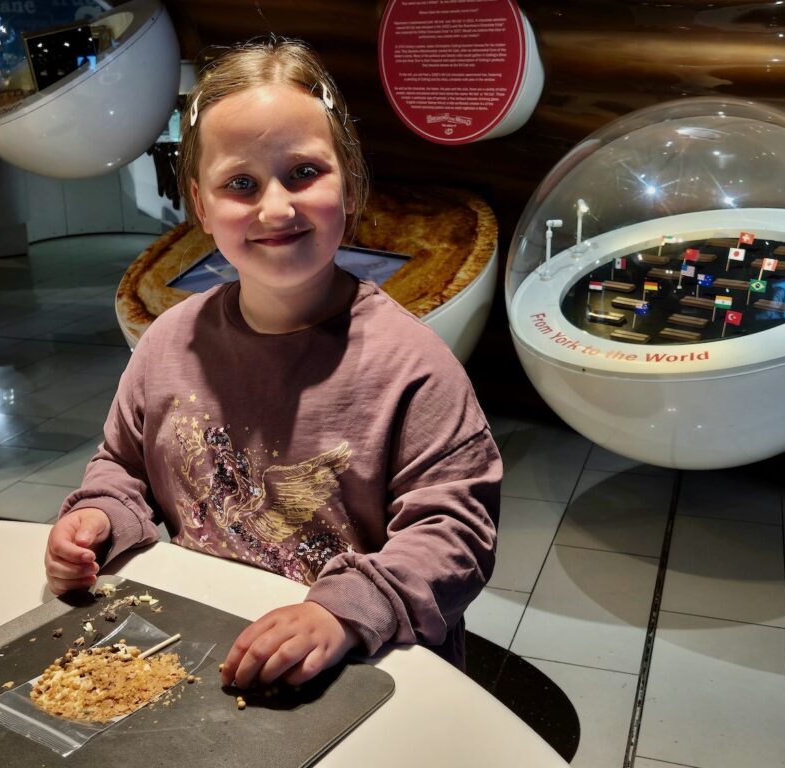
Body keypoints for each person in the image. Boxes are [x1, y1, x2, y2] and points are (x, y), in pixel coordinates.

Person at [43, 37, 500, 690]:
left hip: (359, 669)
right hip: (202, 649)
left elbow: (455, 534)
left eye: (304, 173)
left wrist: (342, 614)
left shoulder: (414, 369)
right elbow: (121, 469)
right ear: (200, 205)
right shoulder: (168, 345)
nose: (276, 207)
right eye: (241, 184)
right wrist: (99, 521)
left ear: (349, 182)